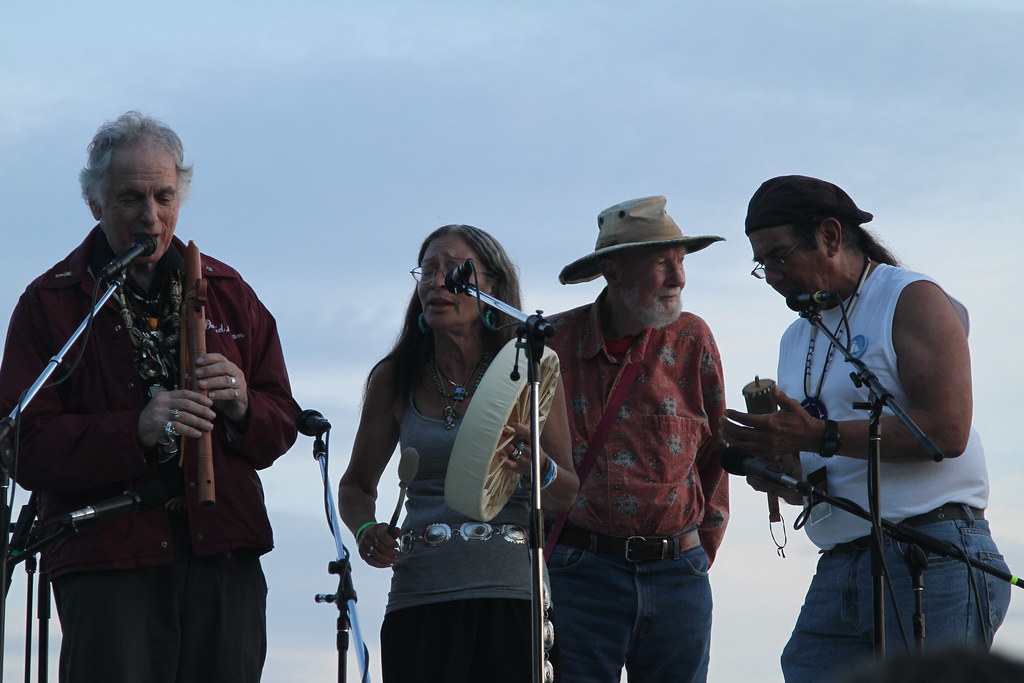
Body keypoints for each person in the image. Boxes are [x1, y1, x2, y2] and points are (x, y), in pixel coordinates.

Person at [0, 111, 299, 683]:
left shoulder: (229, 292)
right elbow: (22, 442)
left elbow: (281, 421)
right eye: (130, 198)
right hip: (109, 556)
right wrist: (134, 430)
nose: (151, 216)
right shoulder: (51, 303)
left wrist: (241, 405)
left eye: (164, 196)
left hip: (223, 551)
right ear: (96, 204)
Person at [721, 175, 1011, 682]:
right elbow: (816, 461)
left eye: (779, 256)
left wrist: (814, 436)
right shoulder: (795, 337)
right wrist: (779, 466)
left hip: (932, 552)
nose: (770, 275)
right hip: (842, 559)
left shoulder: (911, 298)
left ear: (831, 236)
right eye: (760, 264)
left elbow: (945, 432)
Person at [338, 224, 578, 683]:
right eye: (427, 270)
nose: (436, 282)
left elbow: (567, 492)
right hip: (420, 598)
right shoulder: (395, 377)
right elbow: (356, 485)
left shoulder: (529, 368)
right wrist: (366, 528)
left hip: (513, 598)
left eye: (455, 270)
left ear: (492, 286)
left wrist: (541, 468)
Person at [545, 195, 729, 683]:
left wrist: (696, 554)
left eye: (681, 261)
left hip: (678, 574)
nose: (679, 277)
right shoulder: (552, 345)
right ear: (613, 270)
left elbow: (716, 451)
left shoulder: (693, 339)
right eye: (661, 262)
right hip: (579, 575)